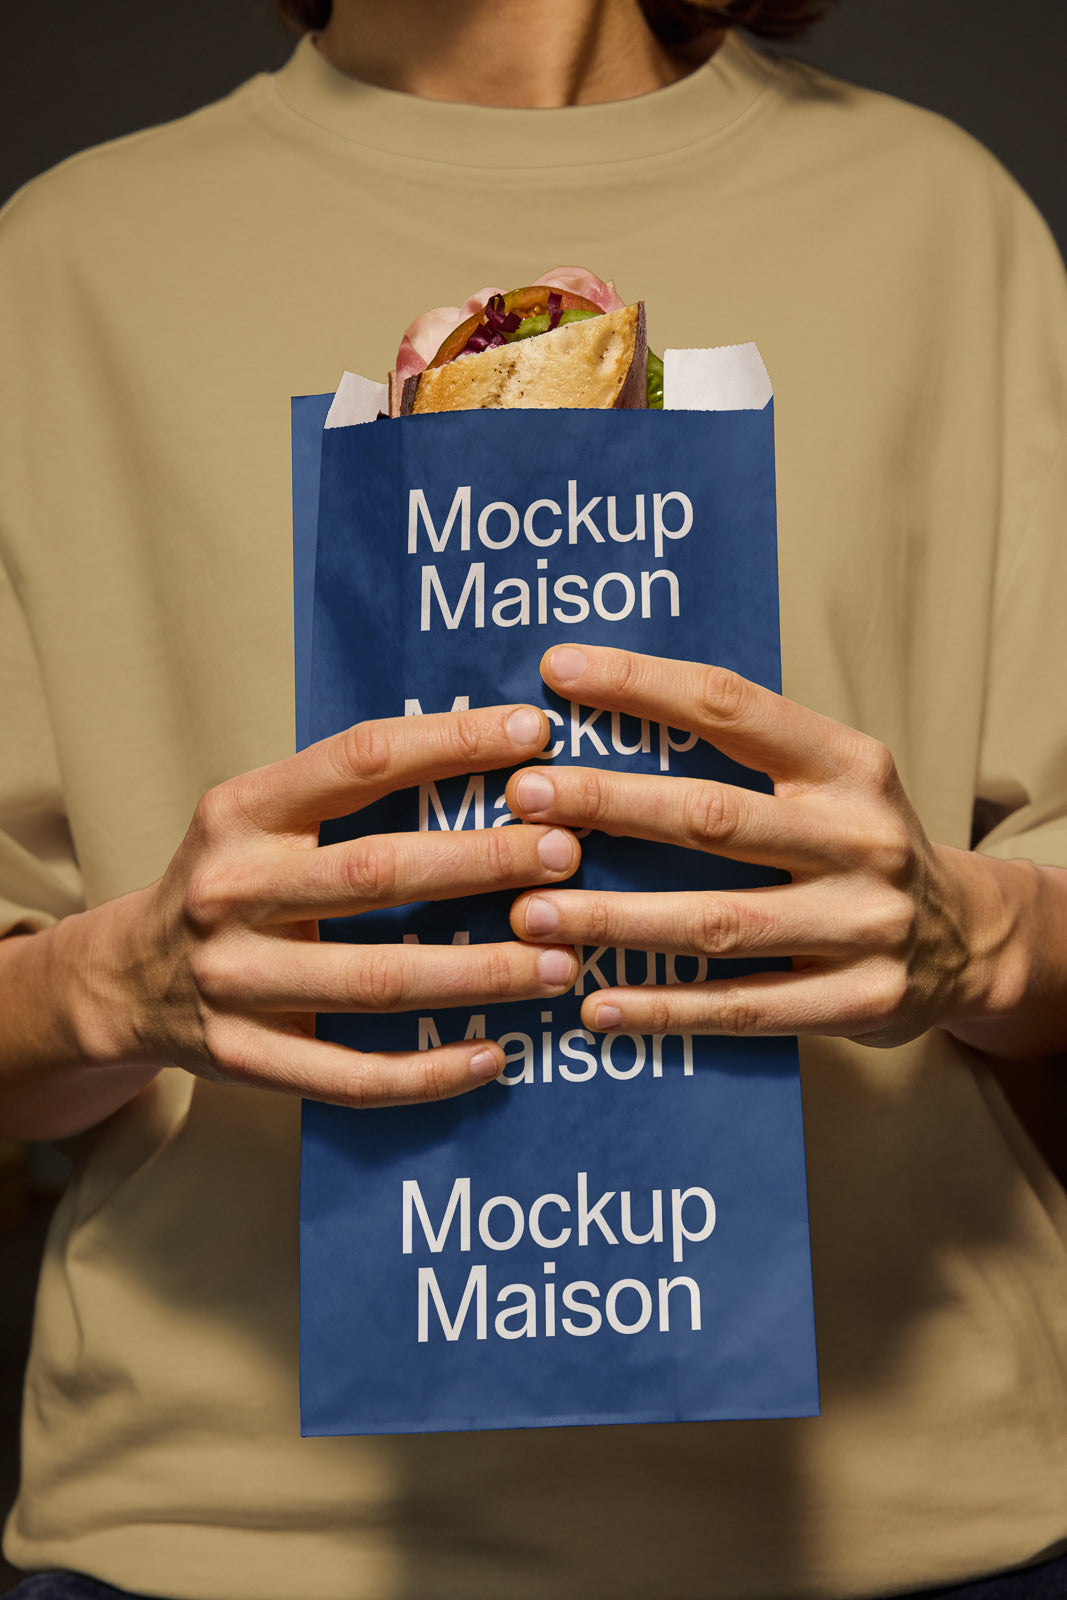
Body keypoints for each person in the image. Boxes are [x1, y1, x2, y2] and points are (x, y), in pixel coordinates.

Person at [1, 0, 1067, 1595]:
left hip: (918, 1520)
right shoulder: (63, 264)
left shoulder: (944, 219)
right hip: (229, 1535)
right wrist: (112, 983)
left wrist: (977, 933)